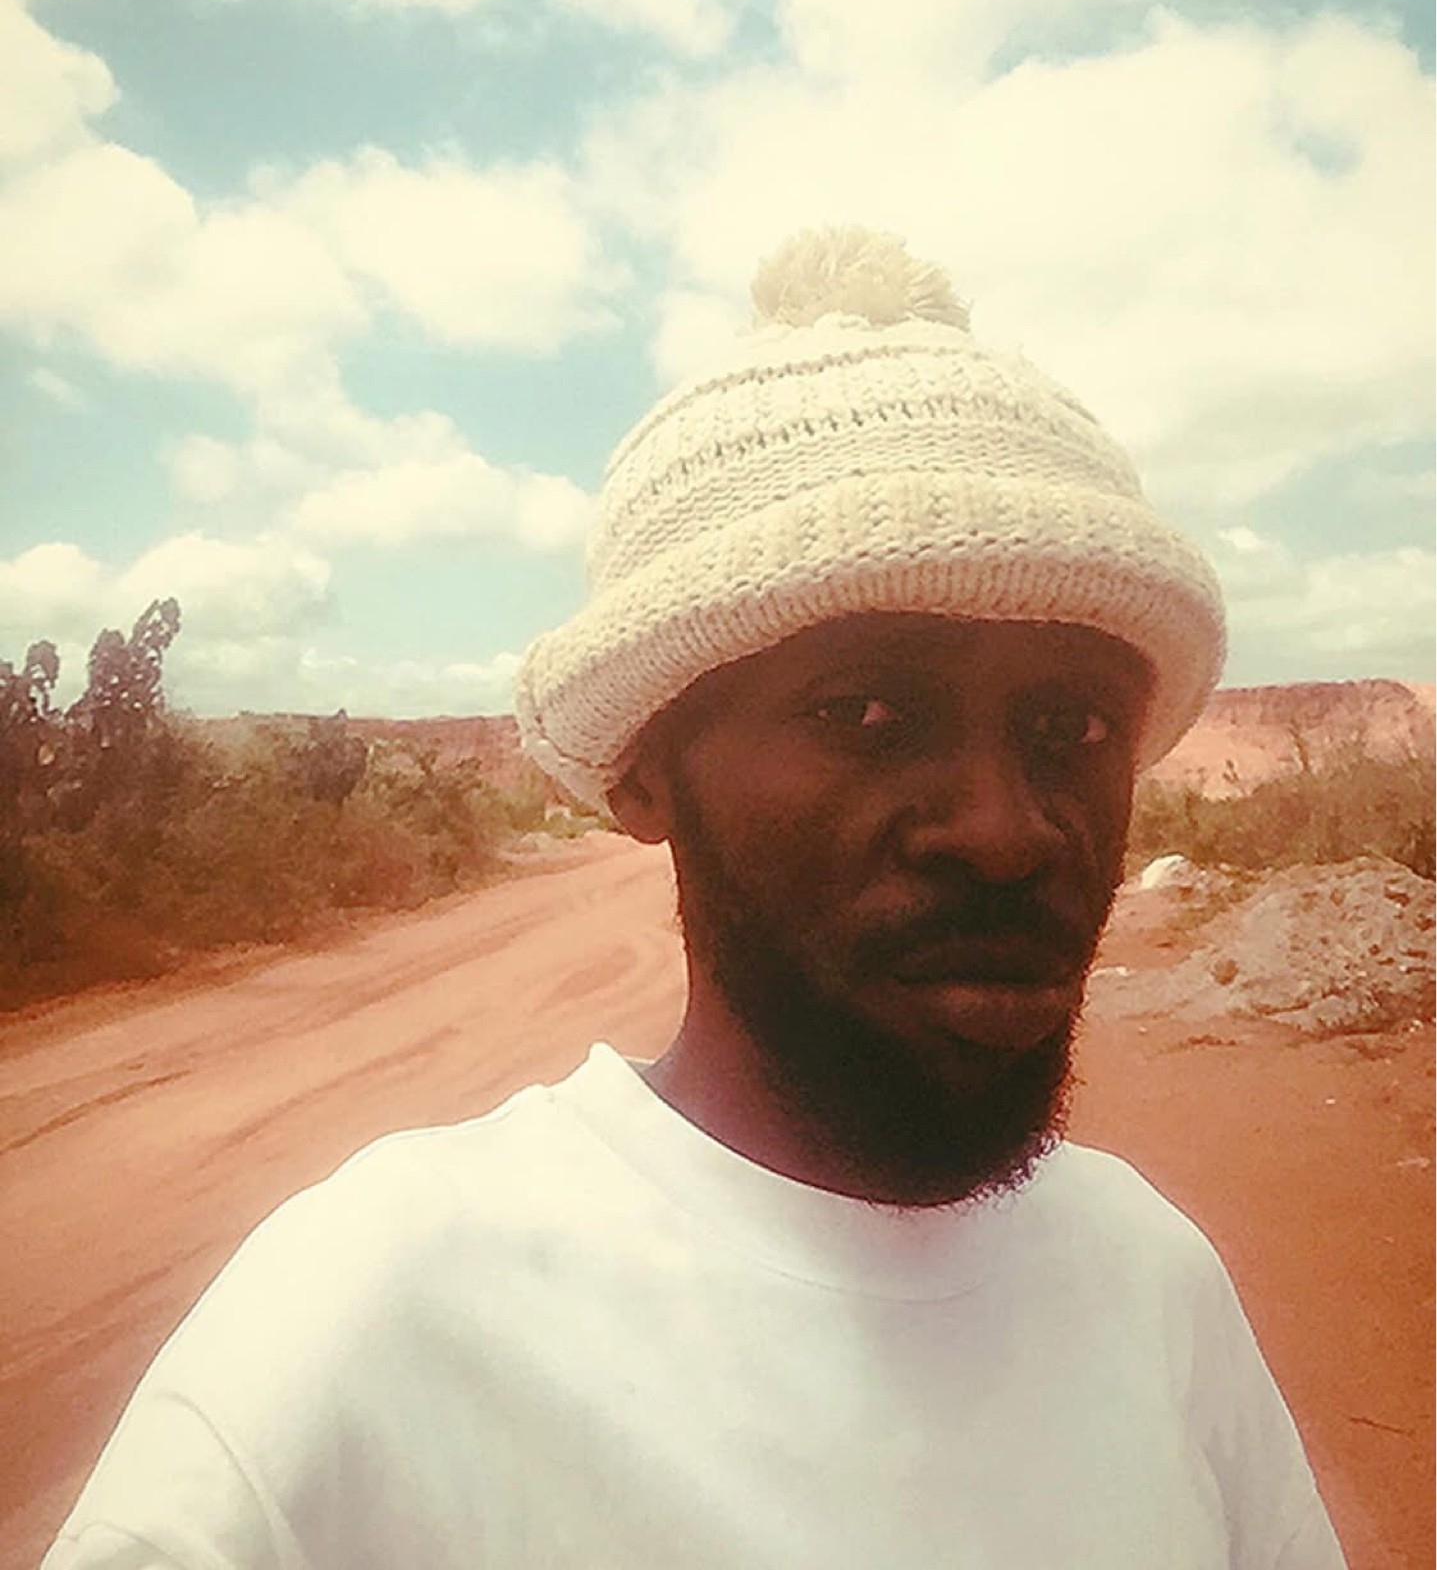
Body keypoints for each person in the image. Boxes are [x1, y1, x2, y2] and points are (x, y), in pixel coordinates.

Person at [44, 228, 1347, 1568]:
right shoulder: (364, 1335)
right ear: (643, 774)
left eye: (1072, 726)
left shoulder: (1154, 1283)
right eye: (867, 713)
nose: (1005, 829)